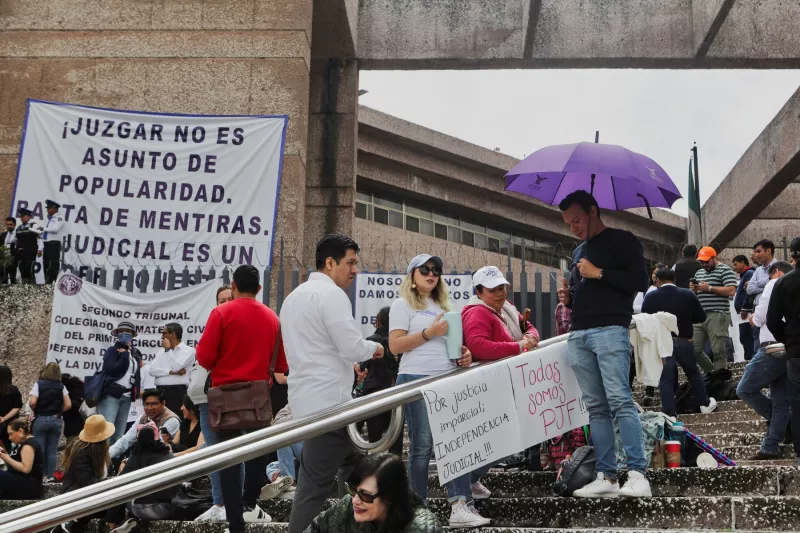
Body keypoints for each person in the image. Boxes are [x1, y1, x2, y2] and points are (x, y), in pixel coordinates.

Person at [280, 235, 384, 533]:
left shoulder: (293, 298)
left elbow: (316, 347)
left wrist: (345, 364)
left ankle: (376, 522)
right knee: (313, 488)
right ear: (330, 263)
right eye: (350, 262)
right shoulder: (332, 295)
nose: (355, 270)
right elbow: (352, 346)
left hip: (310, 401)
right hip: (331, 408)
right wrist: (375, 349)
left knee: (362, 474)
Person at [557, 190, 651, 498]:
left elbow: (640, 281)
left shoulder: (623, 240)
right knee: (596, 408)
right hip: (579, 332)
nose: (574, 227)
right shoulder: (578, 251)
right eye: (568, 223)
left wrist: (599, 273)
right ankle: (607, 477)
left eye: (577, 220)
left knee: (620, 400)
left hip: (611, 328)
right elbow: (583, 288)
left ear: (593, 211)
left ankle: (637, 474)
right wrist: (570, 296)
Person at [389, 253, 487, 527]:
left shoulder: (443, 305)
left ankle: (460, 505)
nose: (432, 274)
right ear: (412, 276)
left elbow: (451, 345)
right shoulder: (401, 305)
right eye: (425, 270)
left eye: (436, 270)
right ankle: (417, 508)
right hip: (416, 378)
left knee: (456, 442)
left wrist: (463, 353)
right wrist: (429, 333)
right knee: (422, 447)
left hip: (447, 377)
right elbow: (395, 346)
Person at [196, 264, 289, 531]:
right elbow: (281, 364)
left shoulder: (221, 312)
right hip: (259, 395)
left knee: (228, 459)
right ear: (259, 289)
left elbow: (204, 358)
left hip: (225, 398)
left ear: (233, 285)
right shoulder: (273, 318)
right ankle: (250, 501)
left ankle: (235, 522)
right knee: (257, 452)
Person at [190, 285, 237, 523]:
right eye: (221, 300)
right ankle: (219, 502)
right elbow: (203, 356)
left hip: (232, 398)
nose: (225, 303)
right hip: (208, 397)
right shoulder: (213, 323)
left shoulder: (241, 326)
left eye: (230, 298)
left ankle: (233, 503)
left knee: (234, 453)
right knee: (213, 452)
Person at [641, 267, 716, 418]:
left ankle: (670, 412)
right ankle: (705, 404)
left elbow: (644, 320)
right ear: (674, 280)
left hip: (662, 343)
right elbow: (701, 317)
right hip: (684, 340)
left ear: (657, 280)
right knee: (693, 372)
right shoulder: (687, 294)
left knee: (666, 378)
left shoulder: (650, 297)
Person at [738, 261, 794, 460]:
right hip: (790, 348)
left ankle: (786, 424)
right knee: (781, 401)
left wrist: (753, 318)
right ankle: (770, 447)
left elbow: (762, 316)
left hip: (771, 346)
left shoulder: (774, 283)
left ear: (776, 272)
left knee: (744, 389)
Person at [304, 453, 442, 533]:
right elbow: (315, 528)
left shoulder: (423, 528)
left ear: (389, 497)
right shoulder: (347, 507)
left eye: (365, 495)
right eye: (353, 489)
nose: (355, 500)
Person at [106, 421, 178, 531]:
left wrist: (111, 519)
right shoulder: (167, 453)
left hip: (149, 509)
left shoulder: (137, 456)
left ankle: (122, 522)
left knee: (125, 496)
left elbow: (120, 486)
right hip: (172, 507)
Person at [767, 237, 800, 466]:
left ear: (793, 257)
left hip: (796, 349)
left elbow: (772, 320)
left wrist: (787, 340)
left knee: (797, 402)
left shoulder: (783, 282)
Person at [57, 414, 115, 533]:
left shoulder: (102, 450)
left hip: (91, 494)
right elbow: (87, 482)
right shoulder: (81, 453)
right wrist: (110, 483)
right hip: (76, 495)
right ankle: (68, 523)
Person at [357, 306, 402, 456]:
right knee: (395, 445)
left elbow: (360, 368)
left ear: (377, 322)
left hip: (374, 397)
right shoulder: (401, 344)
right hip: (397, 397)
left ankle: (375, 475)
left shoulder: (372, 342)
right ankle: (395, 475)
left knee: (375, 444)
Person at [690, 246, 738, 372]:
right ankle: (713, 374)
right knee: (694, 349)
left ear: (714, 258)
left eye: (706, 261)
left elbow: (731, 290)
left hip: (717, 314)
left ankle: (719, 381)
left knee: (718, 350)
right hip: (700, 315)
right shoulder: (699, 272)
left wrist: (709, 288)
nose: (704, 264)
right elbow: (698, 293)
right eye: (701, 262)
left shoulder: (725, 270)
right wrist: (694, 289)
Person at [97, 321, 143, 444]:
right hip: (112, 395)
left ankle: (113, 462)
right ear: (117, 334)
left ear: (133, 335)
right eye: (122, 331)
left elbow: (137, 374)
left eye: (128, 332)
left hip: (127, 397)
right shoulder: (112, 351)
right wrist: (123, 356)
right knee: (106, 434)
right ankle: (101, 462)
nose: (125, 334)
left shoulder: (134, 353)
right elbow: (112, 370)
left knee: (118, 436)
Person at [29, 362, 71, 481]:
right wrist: (59, 411)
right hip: (56, 419)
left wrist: (36, 410)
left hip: (41, 418)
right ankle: (51, 476)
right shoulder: (61, 386)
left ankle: (41, 475)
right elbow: (68, 404)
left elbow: (32, 402)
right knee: (52, 450)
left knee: (40, 449)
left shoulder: (38, 384)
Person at [109, 389, 180, 460]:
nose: (150, 408)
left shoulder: (171, 420)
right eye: (146, 404)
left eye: (154, 404)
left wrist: (127, 461)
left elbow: (154, 448)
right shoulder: (144, 417)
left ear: (163, 403)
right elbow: (126, 440)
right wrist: (106, 455)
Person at [149, 323, 195, 416]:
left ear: (173, 334)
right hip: (159, 392)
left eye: (164, 333)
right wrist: (170, 372)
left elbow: (176, 367)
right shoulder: (160, 352)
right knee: (158, 421)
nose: (162, 337)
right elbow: (152, 371)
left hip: (177, 393)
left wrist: (167, 350)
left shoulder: (189, 351)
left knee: (176, 421)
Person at [0, 418, 43, 500]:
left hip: (28, 485)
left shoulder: (28, 445)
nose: (9, 438)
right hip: (23, 482)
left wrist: (6, 458)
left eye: (11, 434)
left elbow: (26, 468)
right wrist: (6, 456)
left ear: (20, 431)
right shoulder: (24, 443)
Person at [747, 240, 778, 350]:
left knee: (771, 343)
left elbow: (777, 284)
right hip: (757, 309)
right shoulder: (758, 270)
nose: (756, 255)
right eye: (755, 252)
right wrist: (768, 281)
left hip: (772, 309)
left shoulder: (779, 268)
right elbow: (749, 289)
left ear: (768, 250)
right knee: (757, 342)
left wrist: (758, 284)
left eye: (758, 251)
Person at [733, 255, 757, 361]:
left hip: (747, 314)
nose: (734, 267)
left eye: (736, 264)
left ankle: (751, 360)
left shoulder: (749, 273)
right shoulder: (745, 275)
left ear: (743, 262)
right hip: (743, 315)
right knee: (744, 338)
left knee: (747, 338)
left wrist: (745, 308)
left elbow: (749, 292)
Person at [14, 207, 41, 284]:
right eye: (21, 216)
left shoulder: (33, 226)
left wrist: (40, 249)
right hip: (20, 254)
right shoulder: (18, 228)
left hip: (30, 253)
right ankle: (24, 290)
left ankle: (33, 290)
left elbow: (40, 238)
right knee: (23, 273)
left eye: (24, 215)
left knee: (30, 272)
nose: (21, 217)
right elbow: (15, 240)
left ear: (29, 217)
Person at [42, 199, 66, 284]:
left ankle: (53, 282)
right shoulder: (50, 219)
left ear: (54, 208)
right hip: (47, 243)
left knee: (52, 265)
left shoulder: (59, 218)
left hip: (54, 244)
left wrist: (43, 229)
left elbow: (55, 229)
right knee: (46, 264)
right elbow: (47, 232)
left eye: (49, 208)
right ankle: (47, 281)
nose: (47, 210)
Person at [0, 365, 22, 451]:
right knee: (7, 447)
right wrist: (3, 418)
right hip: (9, 425)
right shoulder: (13, 390)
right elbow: (17, 407)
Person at [1, 217, 17, 284]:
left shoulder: (17, 234)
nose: (9, 226)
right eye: (8, 224)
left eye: (11, 224)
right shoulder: (3, 234)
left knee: (13, 278)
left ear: (14, 225)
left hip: (13, 259)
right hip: (4, 260)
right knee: (3, 278)